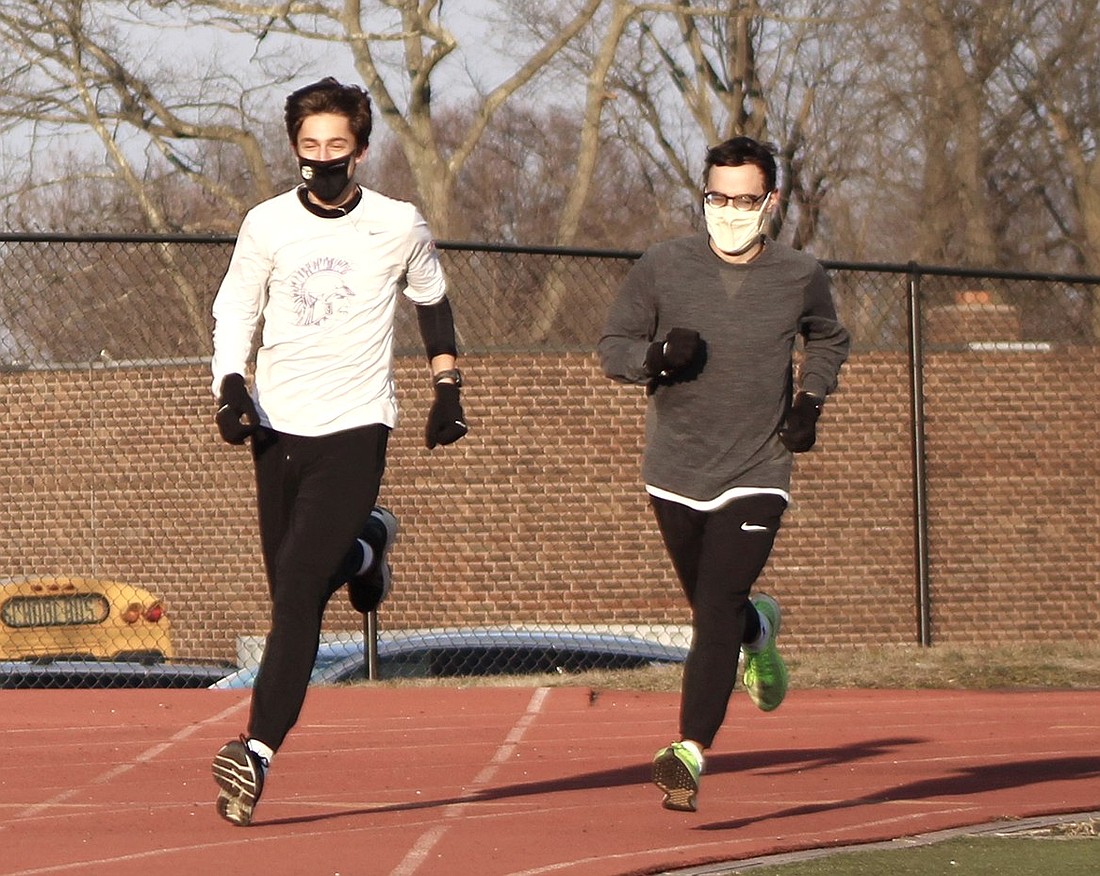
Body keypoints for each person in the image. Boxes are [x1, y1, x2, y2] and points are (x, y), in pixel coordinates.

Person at [208, 77, 468, 827]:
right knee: (298, 590)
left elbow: (432, 296)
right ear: (295, 147)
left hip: (356, 429)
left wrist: (446, 387)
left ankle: (254, 754)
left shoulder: (397, 224)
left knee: (294, 589)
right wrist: (229, 384)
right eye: (309, 146)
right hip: (278, 430)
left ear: (359, 149)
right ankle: (366, 552)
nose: (322, 158)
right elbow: (236, 306)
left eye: (337, 147)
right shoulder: (267, 225)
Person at [598, 136, 849, 812]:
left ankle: (688, 751)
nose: (730, 211)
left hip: (759, 466)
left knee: (713, 610)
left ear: (770, 202)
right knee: (720, 608)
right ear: (702, 197)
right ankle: (758, 631)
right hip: (675, 468)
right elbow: (612, 348)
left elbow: (828, 337)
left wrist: (810, 401)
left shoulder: (800, 274)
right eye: (718, 198)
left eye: (744, 200)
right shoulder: (662, 266)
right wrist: (655, 358)